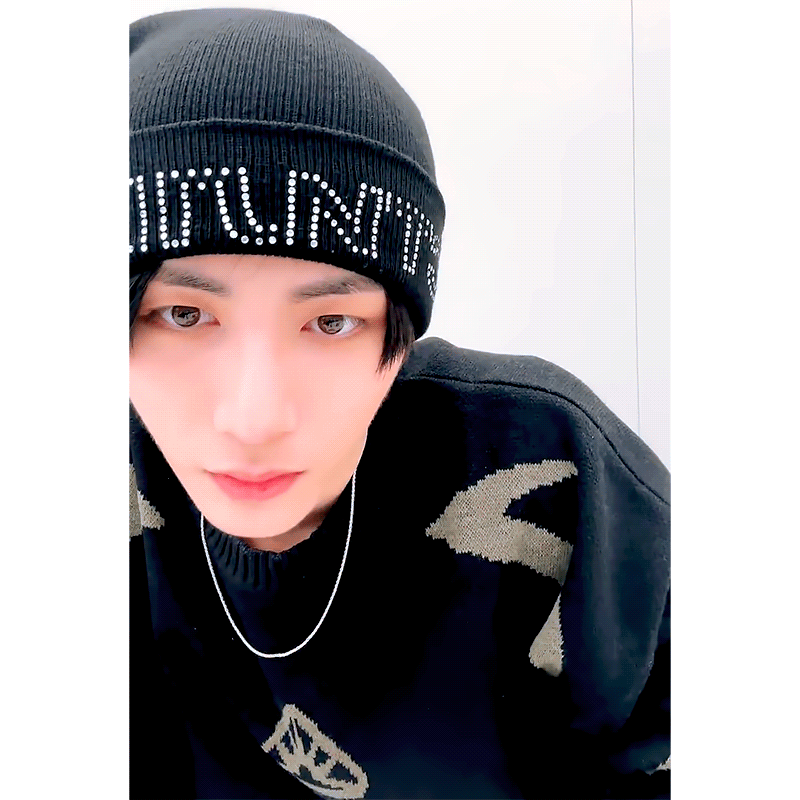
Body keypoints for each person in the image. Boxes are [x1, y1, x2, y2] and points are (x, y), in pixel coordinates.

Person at [129, 8, 670, 799]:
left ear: (401, 333)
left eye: (331, 322)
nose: (253, 418)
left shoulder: (555, 477)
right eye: (183, 314)